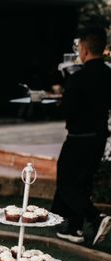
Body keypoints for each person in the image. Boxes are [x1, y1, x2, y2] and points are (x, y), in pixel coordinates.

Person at [52, 27, 111, 245]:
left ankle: (96, 217)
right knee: (83, 183)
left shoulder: (77, 77)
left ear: (84, 50)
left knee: (66, 182)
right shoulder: (108, 75)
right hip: (99, 138)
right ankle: (73, 228)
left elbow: (68, 110)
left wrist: (60, 100)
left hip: (78, 138)